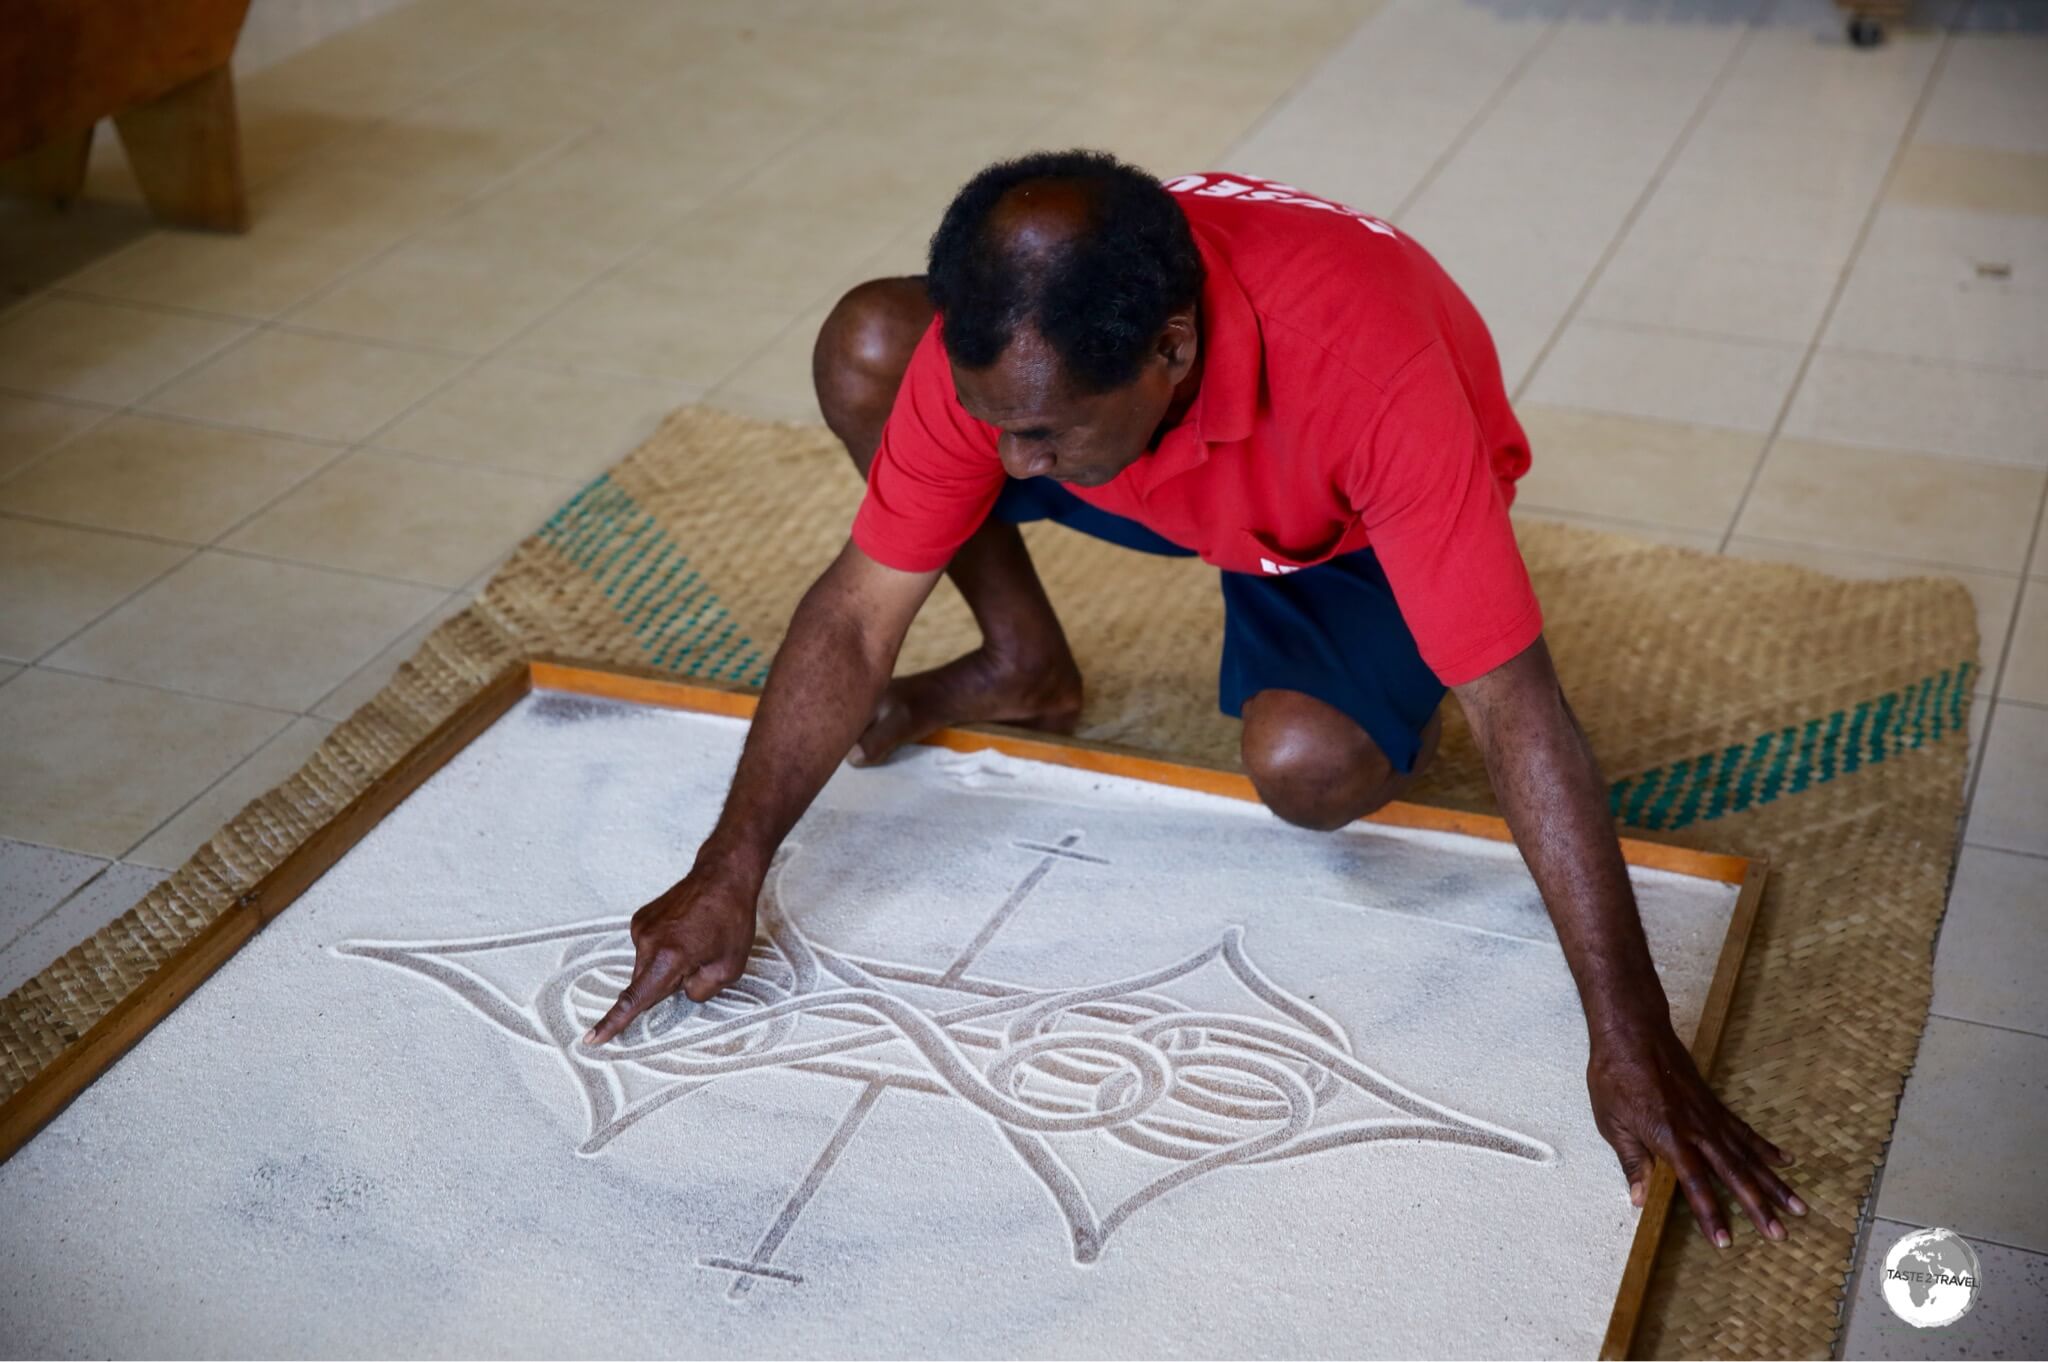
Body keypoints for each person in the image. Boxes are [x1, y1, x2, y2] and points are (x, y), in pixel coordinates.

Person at [586, 150, 1805, 1249]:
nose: (1005, 462)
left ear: (1171, 350)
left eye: (1038, 432)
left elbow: (1519, 711)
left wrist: (1630, 1036)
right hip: (1146, 462)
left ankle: (1384, 654)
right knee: (868, 340)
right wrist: (730, 864)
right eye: (992, 421)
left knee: (1308, 766)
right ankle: (1025, 664)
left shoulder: (1367, 378)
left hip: (1324, 530)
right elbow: (855, 614)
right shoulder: (1016, 372)